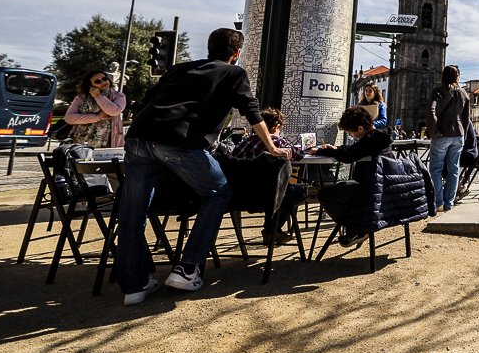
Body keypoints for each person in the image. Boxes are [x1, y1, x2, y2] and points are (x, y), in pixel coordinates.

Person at [117, 28, 292, 306]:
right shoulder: (234, 73)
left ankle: (134, 286)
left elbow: (146, 101)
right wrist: (271, 147)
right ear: (236, 53)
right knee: (219, 193)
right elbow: (252, 111)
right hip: (180, 141)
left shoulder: (177, 69)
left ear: (209, 48)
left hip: (140, 137)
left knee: (133, 213)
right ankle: (187, 268)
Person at [312, 105, 394, 245]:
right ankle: (357, 227)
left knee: (325, 194)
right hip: (383, 188)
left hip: (371, 192)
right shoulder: (379, 137)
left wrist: (320, 151)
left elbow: (348, 156)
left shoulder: (369, 140)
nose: (351, 136)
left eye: (350, 132)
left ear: (360, 129)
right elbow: (355, 150)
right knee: (344, 188)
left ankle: (358, 229)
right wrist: (336, 148)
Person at [231, 106, 306, 245]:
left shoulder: (243, 144)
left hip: (240, 196)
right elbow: (299, 155)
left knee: (281, 191)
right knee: (298, 191)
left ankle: (272, 230)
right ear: (277, 126)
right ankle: (272, 229)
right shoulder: (277, 142)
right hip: (269, 197)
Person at [427, 65, 470, 212]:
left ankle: (438, 203)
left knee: (436, 169)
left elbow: (432, 110)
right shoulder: (464, 93)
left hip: (442, 135)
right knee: (454, 170)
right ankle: (449, 203)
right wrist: (463, 133)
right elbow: (466, 118)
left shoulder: (438, 91)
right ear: (457, 77)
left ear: (443, 76)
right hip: (458, 135)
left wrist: (433, 130)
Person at [64, 69, 127, 147]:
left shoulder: (118, 96)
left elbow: (114, 112)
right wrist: (98, 117)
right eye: (98, 81)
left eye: (104, 79)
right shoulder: (81, 98)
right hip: (82, 140)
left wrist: (98, 96)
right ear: (90, 85)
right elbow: (69, 118)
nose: (103, 82)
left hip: (107, 142)